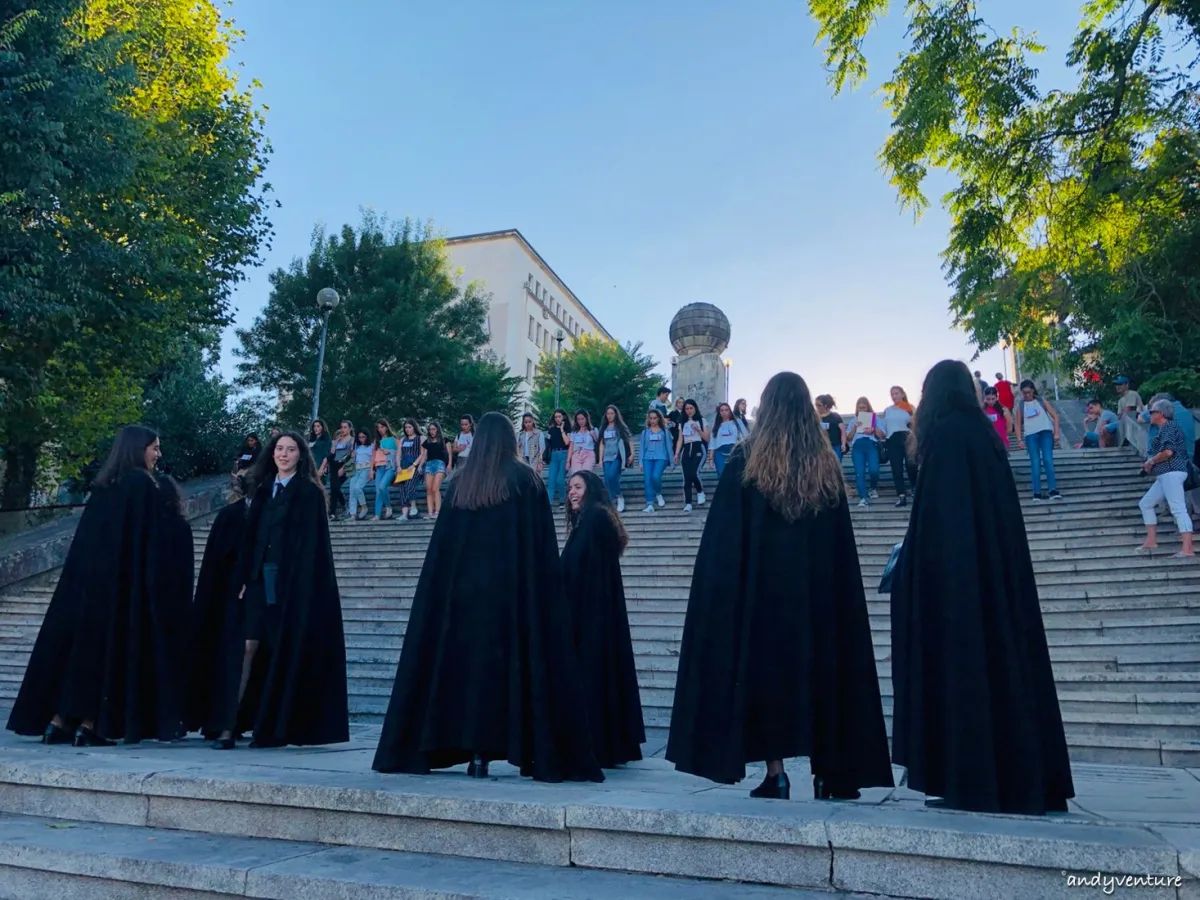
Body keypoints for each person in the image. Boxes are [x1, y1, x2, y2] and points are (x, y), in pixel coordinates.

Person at [666, 372, 893, 801]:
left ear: (767, 407)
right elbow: (839, 547)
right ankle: (831, 774)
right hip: (819, 600)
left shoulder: (746, 461)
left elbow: (723, 544)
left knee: (769, 680)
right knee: (825, 677)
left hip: (764, 601)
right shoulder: (824, 465)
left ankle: (777, 774)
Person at [372, 412, 603, 783]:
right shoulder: (525, 479)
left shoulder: (462, 482)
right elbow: (540, 547)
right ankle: (511, 749)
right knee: (509, 671)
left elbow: (442, 553)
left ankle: (473, 753)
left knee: (466, 673)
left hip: (462, 601)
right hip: (510, 599)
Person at [891, 360, 1074, 815]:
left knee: (966, 674)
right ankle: (1022, 778)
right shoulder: (983, 438)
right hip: (995, 582)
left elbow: (940, 526)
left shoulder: (948, 440)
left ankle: (971, 779)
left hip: (959, 589)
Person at [8, 425, 193, 746]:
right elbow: (155, 541)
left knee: (83, 652)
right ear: (138, 449)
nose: (158, 454)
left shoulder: (105, 487)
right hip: (121, 589)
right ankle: (92, 725)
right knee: (111, 652)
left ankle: (60, 721)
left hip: (87, 589)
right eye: (154, 447)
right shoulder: (142, 485)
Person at [212, 431, 349, 749]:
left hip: (290, 584)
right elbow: (250, 539)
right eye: (279, 449)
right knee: (248, 646)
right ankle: (228, 725)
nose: (284, 454)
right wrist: (244, 579)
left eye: (290, 449)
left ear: (301, 455)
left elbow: (314, 547)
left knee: (278, 648)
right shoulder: (261, 492)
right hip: (260, 579)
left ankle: (270, 725)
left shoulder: (309, 494)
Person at [563, 470, 645, 767]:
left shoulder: (595, 518)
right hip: (594, 611)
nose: (572, 492)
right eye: (569, 487)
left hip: (591, 613)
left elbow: (578, 567)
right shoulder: (594, 518)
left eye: (577, 486)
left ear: (591, 489)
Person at [185, 474, 253, 738]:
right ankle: (225, 720)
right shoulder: (240, 516)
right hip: (233, 596)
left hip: (222, 596)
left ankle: (220, 720)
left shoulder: (229, 515)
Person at [1138, 400, 1195, 558]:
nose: (1149, 414)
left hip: (1171, 471)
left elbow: (1168, 452)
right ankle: (1151, 541)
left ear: (1160, 414)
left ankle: (1187, 549)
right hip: (1166, 473)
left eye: (1152, 411)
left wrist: (1151, 462)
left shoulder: (1169, 427)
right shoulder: (1165, 428)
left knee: (1178, 509)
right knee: (1146, 503)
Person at [1015, 380, 1063, 501]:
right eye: (1024, 393)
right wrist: (1019, 439)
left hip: (1045, 431)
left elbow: (1055, 416)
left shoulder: (1041, 401)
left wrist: (1056, 432)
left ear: (1033, 391)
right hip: (1030, 435)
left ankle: (1052, 489)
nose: (1027, 395)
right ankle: (1037, 492)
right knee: (1035, 462)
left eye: (1029, 392)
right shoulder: (1021, 405)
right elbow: (1017, 423)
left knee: (1047, 459)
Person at [880, 386, 918, 508]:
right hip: (892, 439)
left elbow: (916, 423)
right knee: (897, 469)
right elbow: (884, 427)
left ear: (902, 394)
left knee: (911, 464)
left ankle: (914, 486)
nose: (894, 396)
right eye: (892, 394)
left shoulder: (909, 407)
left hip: (907, 437)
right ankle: (901, 495)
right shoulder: (888, 410)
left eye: (896, 393)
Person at [846, 397, 883, 508]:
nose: (862, 408)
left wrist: (873, 429)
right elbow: (848, 437)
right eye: (859, 407)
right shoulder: (854, 420)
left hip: (871, 444)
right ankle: (863, 498)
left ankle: (872, 488)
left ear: (868, 407)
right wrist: (854, 427)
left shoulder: (875, 418)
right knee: (859, 472)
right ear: (857, 408)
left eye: (864, 406)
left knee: (874, 470)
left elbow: (882, 435)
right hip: (858, 446)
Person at [597, 405, 633, 513]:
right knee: (607, 479)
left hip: (617, 455)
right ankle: (611, 501)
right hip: (606, 456)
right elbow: (602, 444)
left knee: (612, 475)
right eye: (608, 413)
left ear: (616, 414)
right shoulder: (604, 427)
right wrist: (600, 459)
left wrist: (631, 454)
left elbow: (629, 439)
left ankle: (619, 496)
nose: (610, 416)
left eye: (612, 413)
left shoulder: (620, 426)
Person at [673, 399, 708, 512]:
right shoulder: (682, 422)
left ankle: (700, 491)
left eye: (691, 408)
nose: (689, 411)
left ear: (695, 408)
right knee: (686, 477)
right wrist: (677, 453)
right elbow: (680, 439)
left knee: (694, 472)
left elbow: (707, 438)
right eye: (686, 409)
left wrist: (697, 429)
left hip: (698, 447)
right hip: (687, 449)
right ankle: (688, 503)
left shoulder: (702, 420)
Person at [639, 409, 672, 512]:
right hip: (647, 458)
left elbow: (669, 446)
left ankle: (658, 493)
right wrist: (640, 461)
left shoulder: (664, 431)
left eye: (655, 418)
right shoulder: (645, 432)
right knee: (648, 479)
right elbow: (642, 448)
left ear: (658, 418)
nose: (653, 420)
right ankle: (649, 504)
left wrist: (672, 462)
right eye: (651, 418)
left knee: (656, 476)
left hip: (661, 457)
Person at [394, 419, 425, 520]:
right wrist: (398, 466)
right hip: (403, 466)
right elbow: (398, 454)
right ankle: (404, 513)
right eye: (406, 427)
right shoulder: (403, 439)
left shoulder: (421, 438)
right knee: (402, 488)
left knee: (410, 484)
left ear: (414, 427)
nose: (407, 429)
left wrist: (414, 464)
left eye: (409, 427)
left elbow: (423, 453)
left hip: (415, 465)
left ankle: (413, 507)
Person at [421, 422, 449, 519]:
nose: (431, 431)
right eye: (430, 429)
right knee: (428, 489)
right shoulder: (427, 442)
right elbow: (424, 455)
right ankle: (430, 512)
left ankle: (437, 511)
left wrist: (449, 465)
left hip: (440, 464)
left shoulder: (444, 440)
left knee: (435, 488)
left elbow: (449, 454)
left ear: (437, 429)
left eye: (433, 429)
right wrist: (420, 465)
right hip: (429, 464)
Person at [328, 420, 354, 519]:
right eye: (341, 427)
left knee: (336, 487)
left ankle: (344, 505)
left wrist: (343, 467)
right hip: (334, 464)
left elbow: (351, 455)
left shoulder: (352, 440)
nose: (343, 429)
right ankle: (332, 512)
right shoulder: (337, 440)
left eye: (345, 427)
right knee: (333, 489)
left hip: (344, 464)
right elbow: (331, 453)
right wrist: (335, 444)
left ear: (349, 429)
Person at [372, 419, 398, 520]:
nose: (380, 429)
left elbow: (400, 453)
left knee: (382, 486)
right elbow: (373, 456)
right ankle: (377, 514)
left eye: (382, 427)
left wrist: (390, 451)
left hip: (390, 466)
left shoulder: (394, 439)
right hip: (379, 467)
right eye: (378, 427)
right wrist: (371, 469)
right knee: (378, 491)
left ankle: (388, 506)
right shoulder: (377, 441)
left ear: (386, 427)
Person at [544, 409, 571, 506]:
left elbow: (567, 442)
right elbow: (547, 444)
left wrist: (562, 429)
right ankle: (548, 502)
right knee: (551, 480)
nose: (557, 419)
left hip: (564, 454)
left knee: (560, 480)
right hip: (554, 456)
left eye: (559, 416)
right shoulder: (551, 430)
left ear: (563, 417)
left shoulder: (568, 429)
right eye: (556, 417)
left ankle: (563, 500)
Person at [346, 430, 374, 520]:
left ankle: (363, 506)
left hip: (366, 469)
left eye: (363, 437)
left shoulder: (372, 446)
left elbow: (373, 460)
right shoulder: (356, 447)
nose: (361, 439)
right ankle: (353, 514)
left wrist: (371, 471)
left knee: (357, 488)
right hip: (356, 469)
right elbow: (353, 460)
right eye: (360, 437)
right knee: (352, 491)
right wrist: (352, 455)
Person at [709, 402, 741, 480]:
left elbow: (742, 437)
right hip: (719, 452)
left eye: (726, 410)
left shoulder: (736, 423)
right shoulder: (716, 425)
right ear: (719, 413)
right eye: (722, 410)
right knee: (721, 475)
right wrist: (710, 459)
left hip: (733, 452)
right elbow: (712, 443)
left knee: (734, 476)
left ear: (729, 411)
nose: (724, 412)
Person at [814, 394, 845, 460]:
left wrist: (843, 444)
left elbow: (843, 431)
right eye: (816, 405)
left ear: (826, 406)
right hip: (821, 446)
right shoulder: (814, 418)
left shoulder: (835, 416)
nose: (817, 408)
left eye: (819, 405)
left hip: (835, 445)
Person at [568, 409, 599, 474]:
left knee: (586, 474)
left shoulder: (593, 429)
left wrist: (593, 435)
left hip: (589, 454)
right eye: (578, 419)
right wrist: (568, 461)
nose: (580, 421)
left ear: (586, 419)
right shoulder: (574, 432)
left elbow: (599, 443)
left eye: (582, 419)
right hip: (576, 454)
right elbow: (571, 446)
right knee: (576, 474)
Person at [308, 420, 332, 487]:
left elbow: (327, 456)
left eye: (318, 426)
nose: (316, 428)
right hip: (310, 468)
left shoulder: (326, 439)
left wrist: (322, 469)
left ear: (322, 427)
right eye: (314, 426)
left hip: (320, 467)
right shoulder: (311, 439)